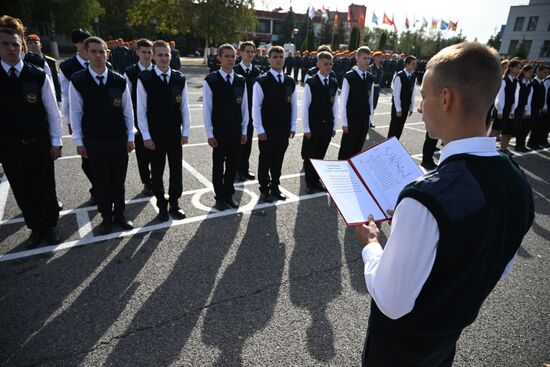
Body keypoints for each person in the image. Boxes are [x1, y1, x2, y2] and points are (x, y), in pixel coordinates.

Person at [356, 42, 534, 367]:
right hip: (444, 347)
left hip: (396, 353)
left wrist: (371, 244)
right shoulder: (518, 183)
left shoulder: (425, 199)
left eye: (424, 95)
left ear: (446, 98)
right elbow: (497, 264)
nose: (421, 107)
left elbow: (391, 301)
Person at [0, 27, 63, 248]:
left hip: (39, 144)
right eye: (5, 44)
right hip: (9, 147)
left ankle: (50, 226)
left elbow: (53, 112)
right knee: (22, 189)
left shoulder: (37, 74)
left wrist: (56, 142)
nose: (11, 49)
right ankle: (35, 228)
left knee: (45, 187)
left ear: (22, 47)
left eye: (16, 44)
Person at [69, 36, 136, 235]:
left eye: (102, 51)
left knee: (118, 180)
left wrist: (130, 137)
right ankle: (106, 217)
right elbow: (76, 114)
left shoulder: (119, 80)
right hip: (94, 141)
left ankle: (120, 215)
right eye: (94, 51)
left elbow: (128, 112)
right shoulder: (79, 81)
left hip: (117, 140)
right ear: (86, 53)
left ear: (108, 53)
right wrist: (79, 142)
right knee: (101, 181)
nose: (98, 55)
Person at [137, 40, 190, 222]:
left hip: (174, 133)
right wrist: (146, 136)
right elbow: (141, 111)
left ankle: (174, 202)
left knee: (176, 170)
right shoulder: (144, 78)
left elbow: (184, 107)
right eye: (159, 54)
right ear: (153, 56)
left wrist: (186, 131)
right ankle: (162, 204)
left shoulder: (179, 77)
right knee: (157, 172)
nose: (164, 58)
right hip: (155, 136)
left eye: (167, 54)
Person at [203, 44, 249, 211]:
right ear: (219, 58)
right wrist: (209, 133)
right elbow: (207, 109)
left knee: (232, 164)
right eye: (227, 56)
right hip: (219, 132)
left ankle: (229, 194)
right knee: (218, 165)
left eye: (233, 56)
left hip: (235, 131)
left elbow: (245, 108)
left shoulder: (240, 80)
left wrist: (244, 131)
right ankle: (219, 197)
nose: (230, 59)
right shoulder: (211, 81)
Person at [252, 45, 297, 202]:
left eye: (281, 57)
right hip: (267, 129)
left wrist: (293, 126)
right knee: (266, 158)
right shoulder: (262, 81)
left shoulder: (290, 81)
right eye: (275, 57)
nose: (278, 60)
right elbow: (256, 106)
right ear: (269, 59)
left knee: (278, 158)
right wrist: (259, 128)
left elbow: (294, 105)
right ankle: (264, 188)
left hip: (283, 128)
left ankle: (275, 186)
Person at [59, 28, 96, 204]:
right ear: (76, 44)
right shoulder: (67, 68)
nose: (85, 44)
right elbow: (66, 98)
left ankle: (103, 187)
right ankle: (96, 188)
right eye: (82, 41)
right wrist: (70, 122)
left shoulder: (101, 63)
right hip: (81, 120)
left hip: (101, 119)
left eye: (87, 40)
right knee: (87, 158)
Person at [301, 50, 338, 193]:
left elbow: (335, 106)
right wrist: (306, 129)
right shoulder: (311, 82)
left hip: (327, 125)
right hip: (314, 126)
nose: (328, 67)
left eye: (330, 64)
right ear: (318, 64)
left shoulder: (333, 82)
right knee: (310, 155)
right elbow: (305, 107)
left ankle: (316, 180)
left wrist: (334, 126)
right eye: (325, 64)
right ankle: (309, 182)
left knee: (320, 155)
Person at [124, 38, 155, 195]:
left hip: (156, 120)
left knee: (156, 153)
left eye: (149, 52)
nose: (147, 55)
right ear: (137, 52)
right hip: (138, 119)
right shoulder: (130, 73)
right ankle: (147, 182)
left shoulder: (158, 70)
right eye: (144, 52)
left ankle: (156, 179)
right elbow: (126, 100)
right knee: (142, 155)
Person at [338, 46, 374, 161]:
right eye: (364, 58)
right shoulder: (349, 77)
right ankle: (341, 172)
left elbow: (370, 100)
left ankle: (353, 172)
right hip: (351, 119)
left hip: (364, 118)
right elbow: (343, 101)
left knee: (358, 149)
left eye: (369, 58)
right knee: (347, 148)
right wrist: (344, 122)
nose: (367, 61)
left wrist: (370, 119)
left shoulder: (370, 78)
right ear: (357, 58)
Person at [234, 41, 261, 181]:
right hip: (237, 112)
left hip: (251, 113)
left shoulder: (257, 72)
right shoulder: (235, 70)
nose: (250, 54)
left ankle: (245, 168)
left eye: (252, 51)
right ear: (240, 52)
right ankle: (235, 169)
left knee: (248, 142)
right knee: (238, 143)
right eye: (247, 51)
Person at [493, 59, 521, 154]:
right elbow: (499, 97)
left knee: (507, 131)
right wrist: (500, 110)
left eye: (519, 68)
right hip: (502, 109)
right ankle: (487, 149)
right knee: (496, 131)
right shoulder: (504, 80)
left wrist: (513, 110)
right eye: (517, 67)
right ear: (511, 68)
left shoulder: (515, 81)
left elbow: (515, 97)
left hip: (509, 110)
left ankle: (503, 149)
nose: (518, 70)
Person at [24, 34, 62, 103]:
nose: (33, 45)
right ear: (26, 46)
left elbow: (56, 81)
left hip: (50, 95)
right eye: (30, 43)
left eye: (35, 43)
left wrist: (59, 99)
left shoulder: (51, 61)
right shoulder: (23, 61)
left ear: (40, 45)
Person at [387, 55, 417, 139]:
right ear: (407, 64)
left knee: (400, 127)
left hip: (406, 105)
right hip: (398, 106)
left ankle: (396, 145)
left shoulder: (413, 77)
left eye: (415, 64)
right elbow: (396, 94)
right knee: (394, 127)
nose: (415, 66)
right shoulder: (400, 76)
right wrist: (398, 109)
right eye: (413, 63)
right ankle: (388, 145)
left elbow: (413, 92)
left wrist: (411, 107)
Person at [527, 65, 549, 149]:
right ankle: (529, 143)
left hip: (537, 109)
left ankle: (534, 143)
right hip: (532, 108)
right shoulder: (534, 82)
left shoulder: (541, 82)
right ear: (538, 71)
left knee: (536, 127)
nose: (546, 74)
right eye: (544, 72)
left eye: (547, 73)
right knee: (529, 127)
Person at [513, 64, 534, 152]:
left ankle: (521, 145)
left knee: (524, 128)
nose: (531, 74)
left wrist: (527, 110)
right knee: (515, 128)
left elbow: (529, 99)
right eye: (529, 72)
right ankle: (517, 145)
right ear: (524, 72)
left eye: (532, 72)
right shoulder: (518, 82)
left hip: (524, 109)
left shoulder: (529, 84)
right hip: (516, 108)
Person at [368, 51, 385, 128]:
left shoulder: (381, 67)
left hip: (377, 88)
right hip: (371, 88)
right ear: (374, 57)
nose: (380, 58)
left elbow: (381, 78)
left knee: (374, 105)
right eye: (378, 57)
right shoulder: (370, 67)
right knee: (369, 105)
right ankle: (368, 121)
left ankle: (370, 120)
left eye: (381, 57)